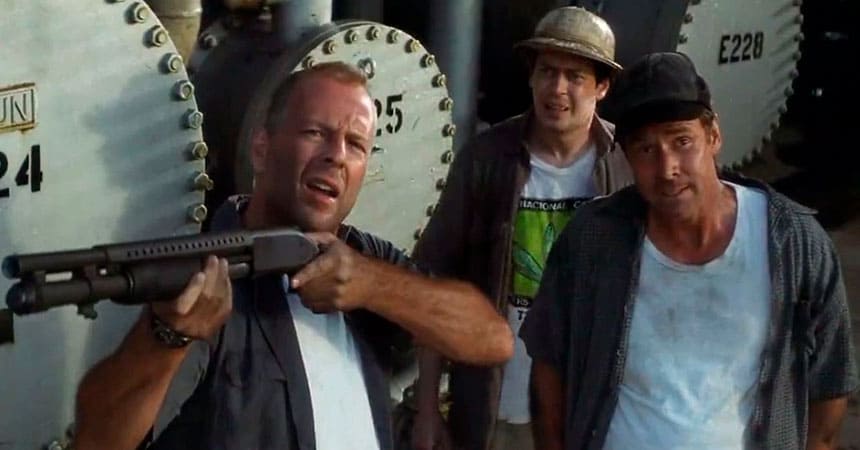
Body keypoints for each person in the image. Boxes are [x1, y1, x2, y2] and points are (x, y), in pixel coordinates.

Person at [72, 62, 514, 450]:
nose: (336, 156)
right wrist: (167, 338)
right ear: (261, 149)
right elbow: (97, 439)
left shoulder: (362, 258)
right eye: (316, 133)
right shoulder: (209, 276)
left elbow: (492, 340)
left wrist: (372, 285)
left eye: (355, 144)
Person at [521, 51, 859, 450]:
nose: (668, 168)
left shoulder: (793, 241)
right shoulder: (594, 238)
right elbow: (549, 365)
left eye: (682, 141)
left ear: (713, 136)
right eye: (646, 150)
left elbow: (830, 383)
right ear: (627, 157)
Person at [411, 6, 632, 450]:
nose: (557, 88)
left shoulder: (626, 162)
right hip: (500, 413)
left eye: (575, 76)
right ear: (531, 77)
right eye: (547, 71)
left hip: (593, 413)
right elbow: (434, 283)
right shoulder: (487, 159)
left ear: (602, 87)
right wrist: (428, 407)